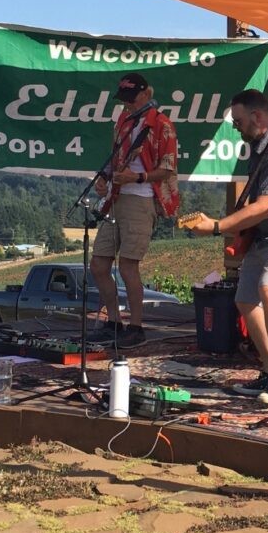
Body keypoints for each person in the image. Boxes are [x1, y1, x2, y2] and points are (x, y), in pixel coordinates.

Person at [187, 88, 268, 405]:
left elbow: (265, 206)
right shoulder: (262, 146)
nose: (235, 127)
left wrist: (218, 226)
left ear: (258, 116)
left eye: (238, 121)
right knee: (245, 299)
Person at [89, 71, 180, 347]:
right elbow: (114, 157)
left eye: (131, 99)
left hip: (141, 199)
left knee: (128, 265)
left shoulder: (162, 125)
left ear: (146, 94)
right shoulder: (123, 121)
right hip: (117, 197)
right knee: (99, 264)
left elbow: (168, 168)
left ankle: (136, 327)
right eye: (124, 100)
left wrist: (136, 178)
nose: (127, 104)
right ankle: (114, 321)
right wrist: (104, 179)